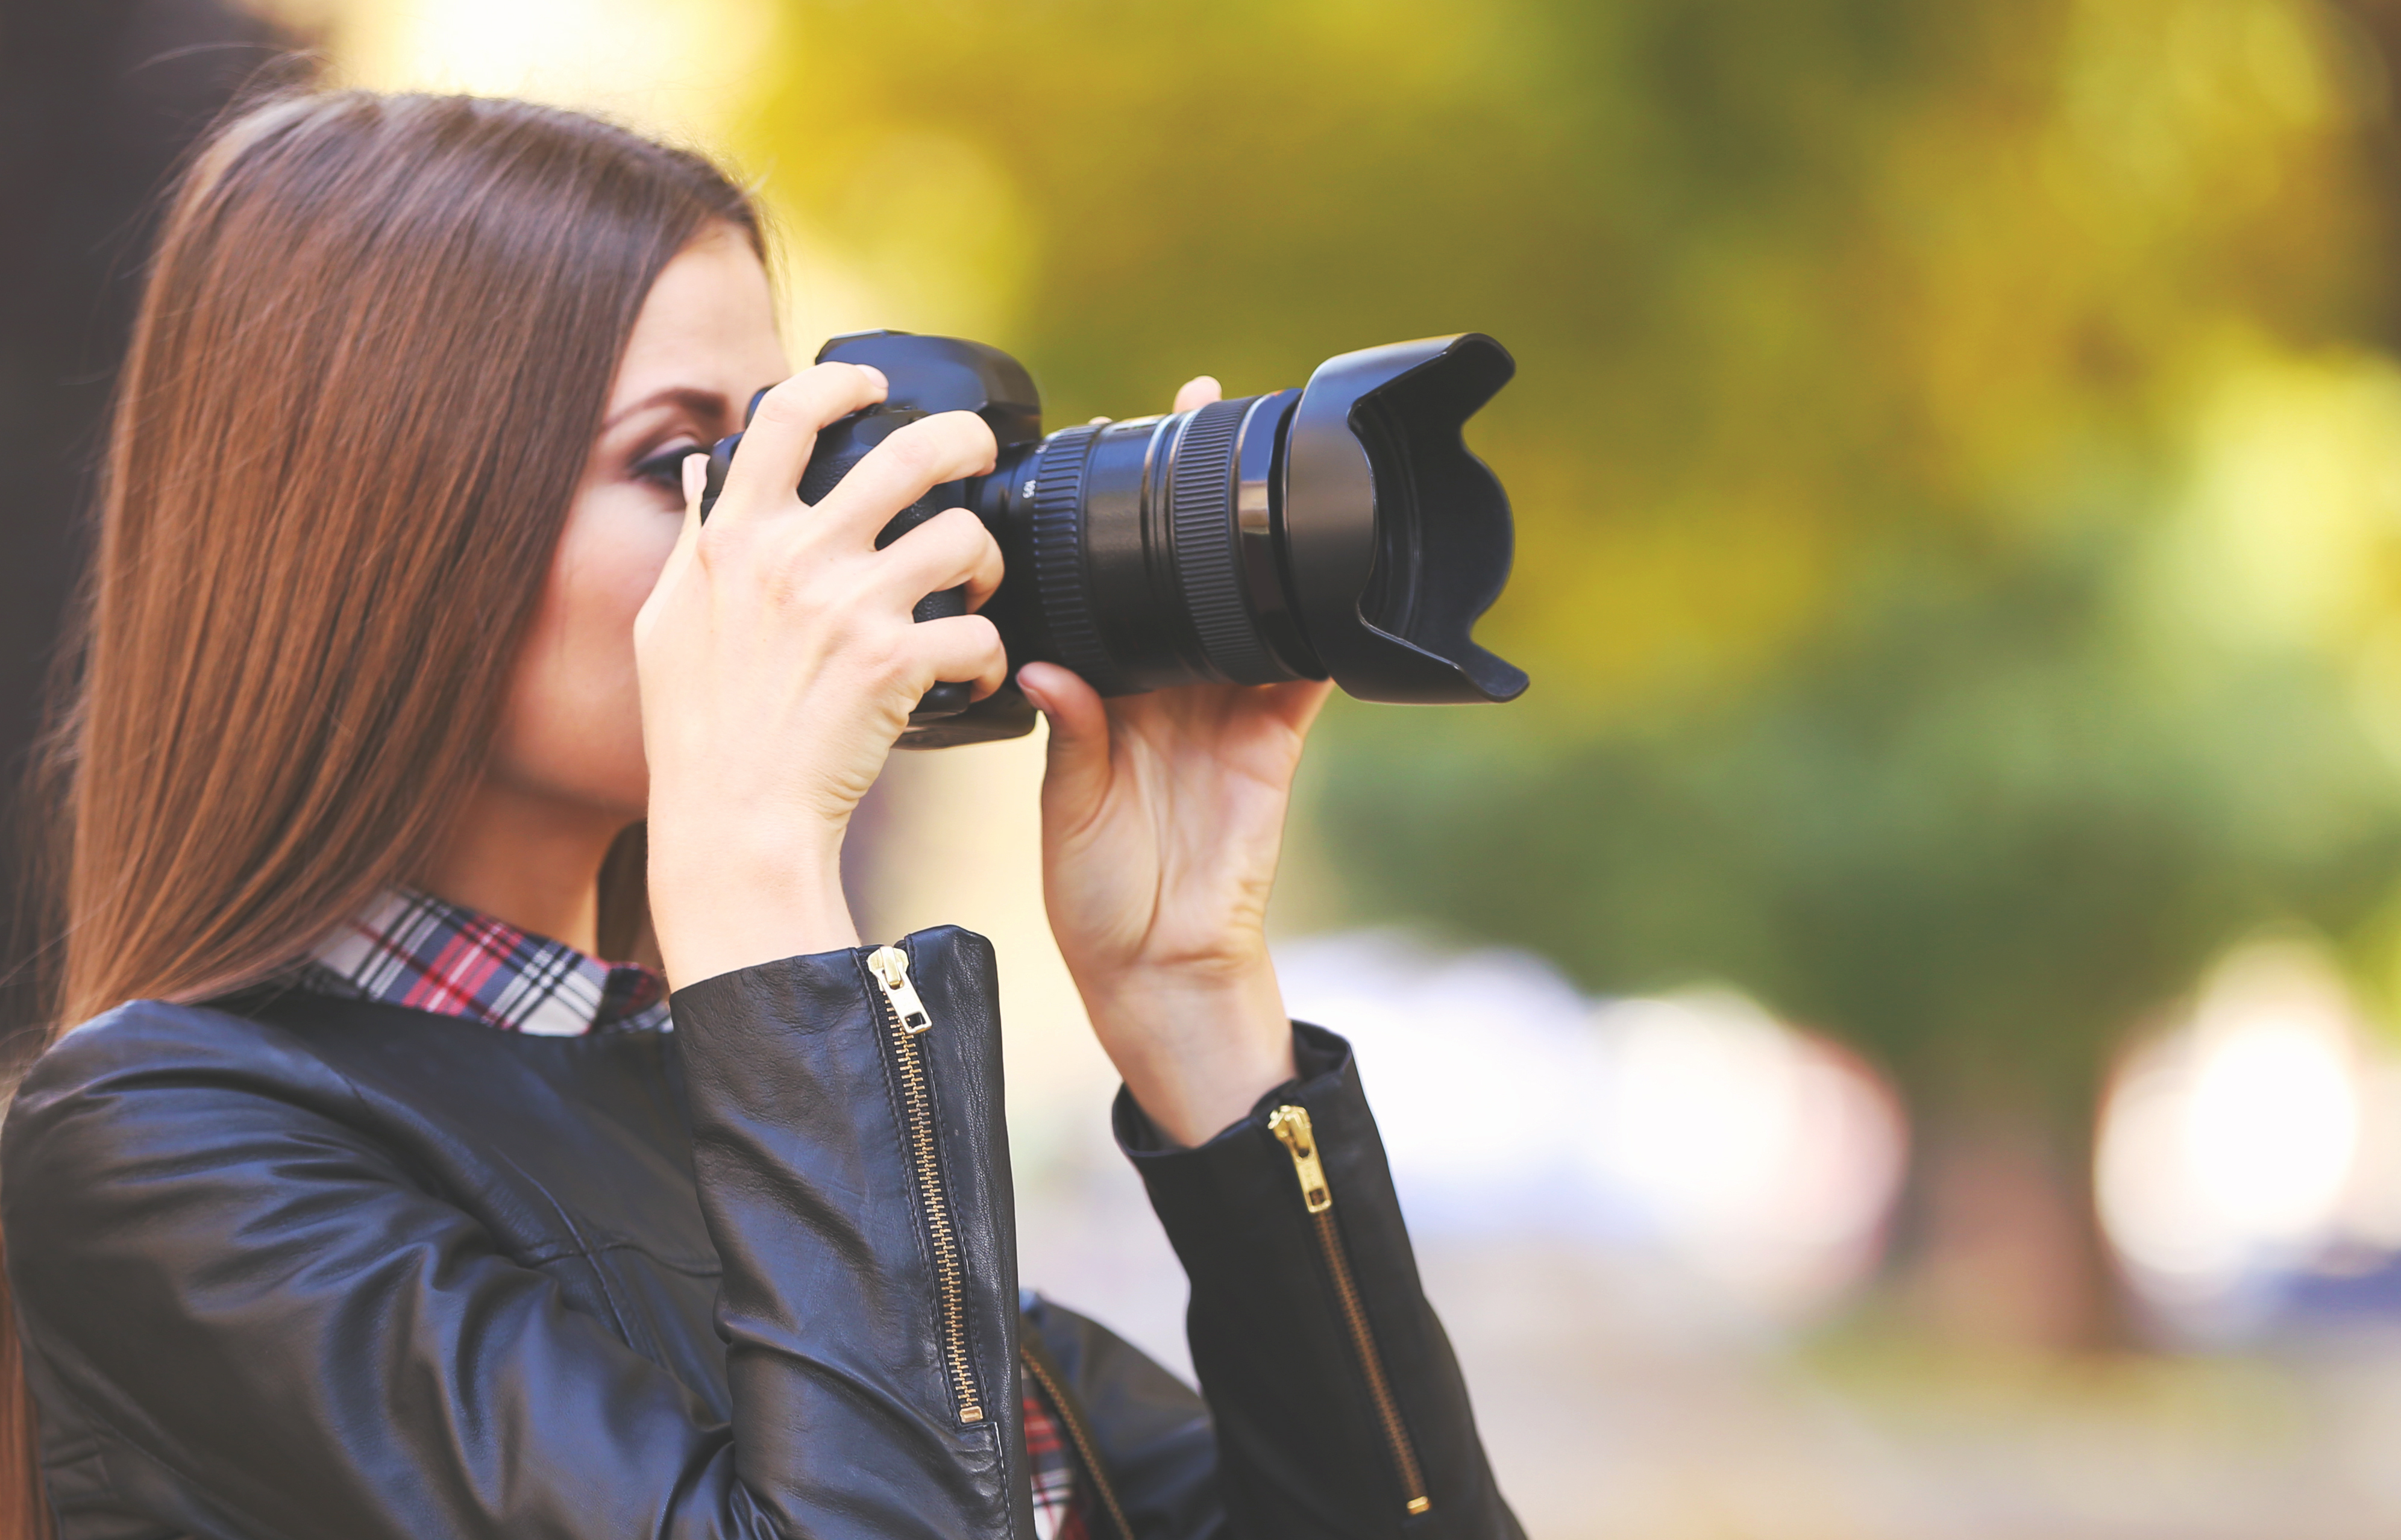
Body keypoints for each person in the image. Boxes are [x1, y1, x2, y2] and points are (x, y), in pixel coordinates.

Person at [0, 89, 1520, 1539]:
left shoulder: (735, 1095)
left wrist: (1193, 1005)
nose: (787, 544)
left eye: (801, 450)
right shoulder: (174, 1154)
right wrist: (749, 873)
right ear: (377, 532)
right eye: (689, 464)